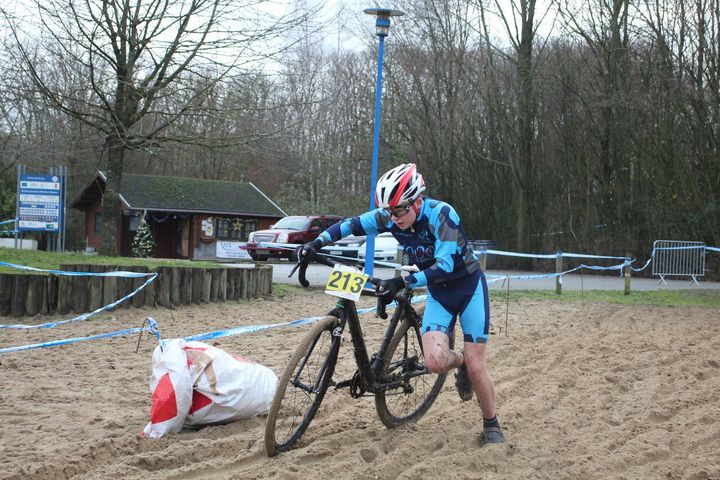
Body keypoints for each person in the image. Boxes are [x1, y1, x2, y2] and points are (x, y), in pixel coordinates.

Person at [298, 163, 504, 446]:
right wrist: (316, 243)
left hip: (468, 289)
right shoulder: (391, 214)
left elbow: (444, 265)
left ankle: (491, 422)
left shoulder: (442, 214)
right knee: (434, 363)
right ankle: (461, 364)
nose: (394, 218)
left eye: (399, 211)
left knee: (478, 365)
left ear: (417, 201)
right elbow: (351, 224)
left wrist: (402, 281)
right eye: (389, 212)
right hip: (439, 294)